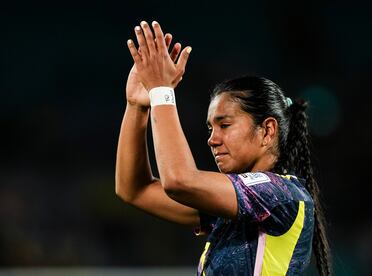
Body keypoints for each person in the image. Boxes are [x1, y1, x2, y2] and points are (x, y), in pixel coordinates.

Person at [115, 20, 332, 276]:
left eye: (225, 125)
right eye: (210, 129)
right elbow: (134, 190)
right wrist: (137, 106)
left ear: (267, 130)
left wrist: (162, 92)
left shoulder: (282, 196)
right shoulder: (234, 208)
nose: (212, 139)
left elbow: (179, 181)